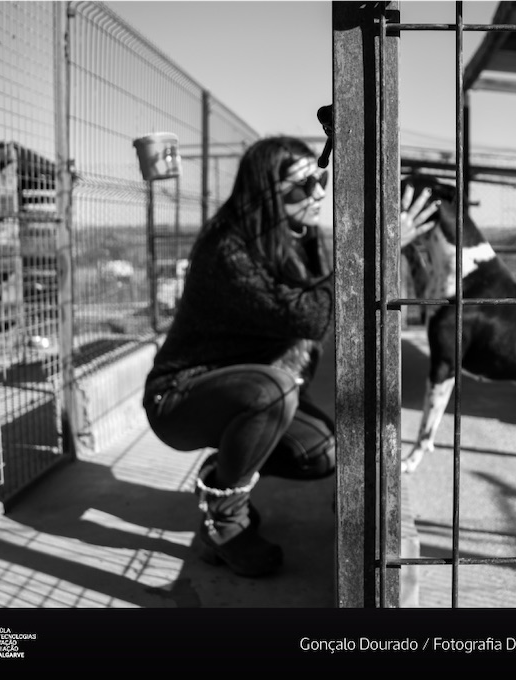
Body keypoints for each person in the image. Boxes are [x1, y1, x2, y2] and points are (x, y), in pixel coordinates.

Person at [143, 135, 439, 577]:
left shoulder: (298, 238)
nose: (318, 193)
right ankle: (225, 523)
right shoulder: (228, 249)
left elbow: (325, 302)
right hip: (180, 397)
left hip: (245, 389)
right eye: (302, 187)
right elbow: (312, 315)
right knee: (276, 392)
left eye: (321, 181)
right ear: (266, 193)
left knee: (323, 453)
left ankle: (223, 473)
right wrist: (383, 247)